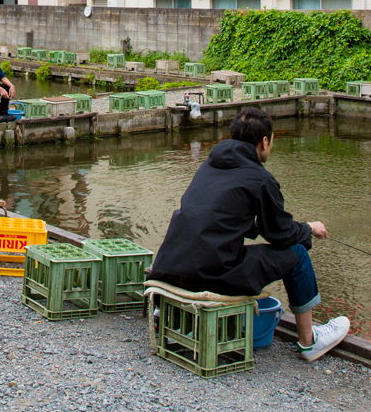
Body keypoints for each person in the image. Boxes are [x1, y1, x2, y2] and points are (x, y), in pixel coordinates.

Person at [148, 107, 350, 362]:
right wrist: (308, 228)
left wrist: (269, 228)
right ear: (265, 141)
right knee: (297, 255)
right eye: (272, 139)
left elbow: (225, 218)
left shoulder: (209, 165)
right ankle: (309, 342)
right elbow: (280, 234)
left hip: (170, 267)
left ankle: (167, 316)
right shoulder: (261, 179)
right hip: (210, 274)